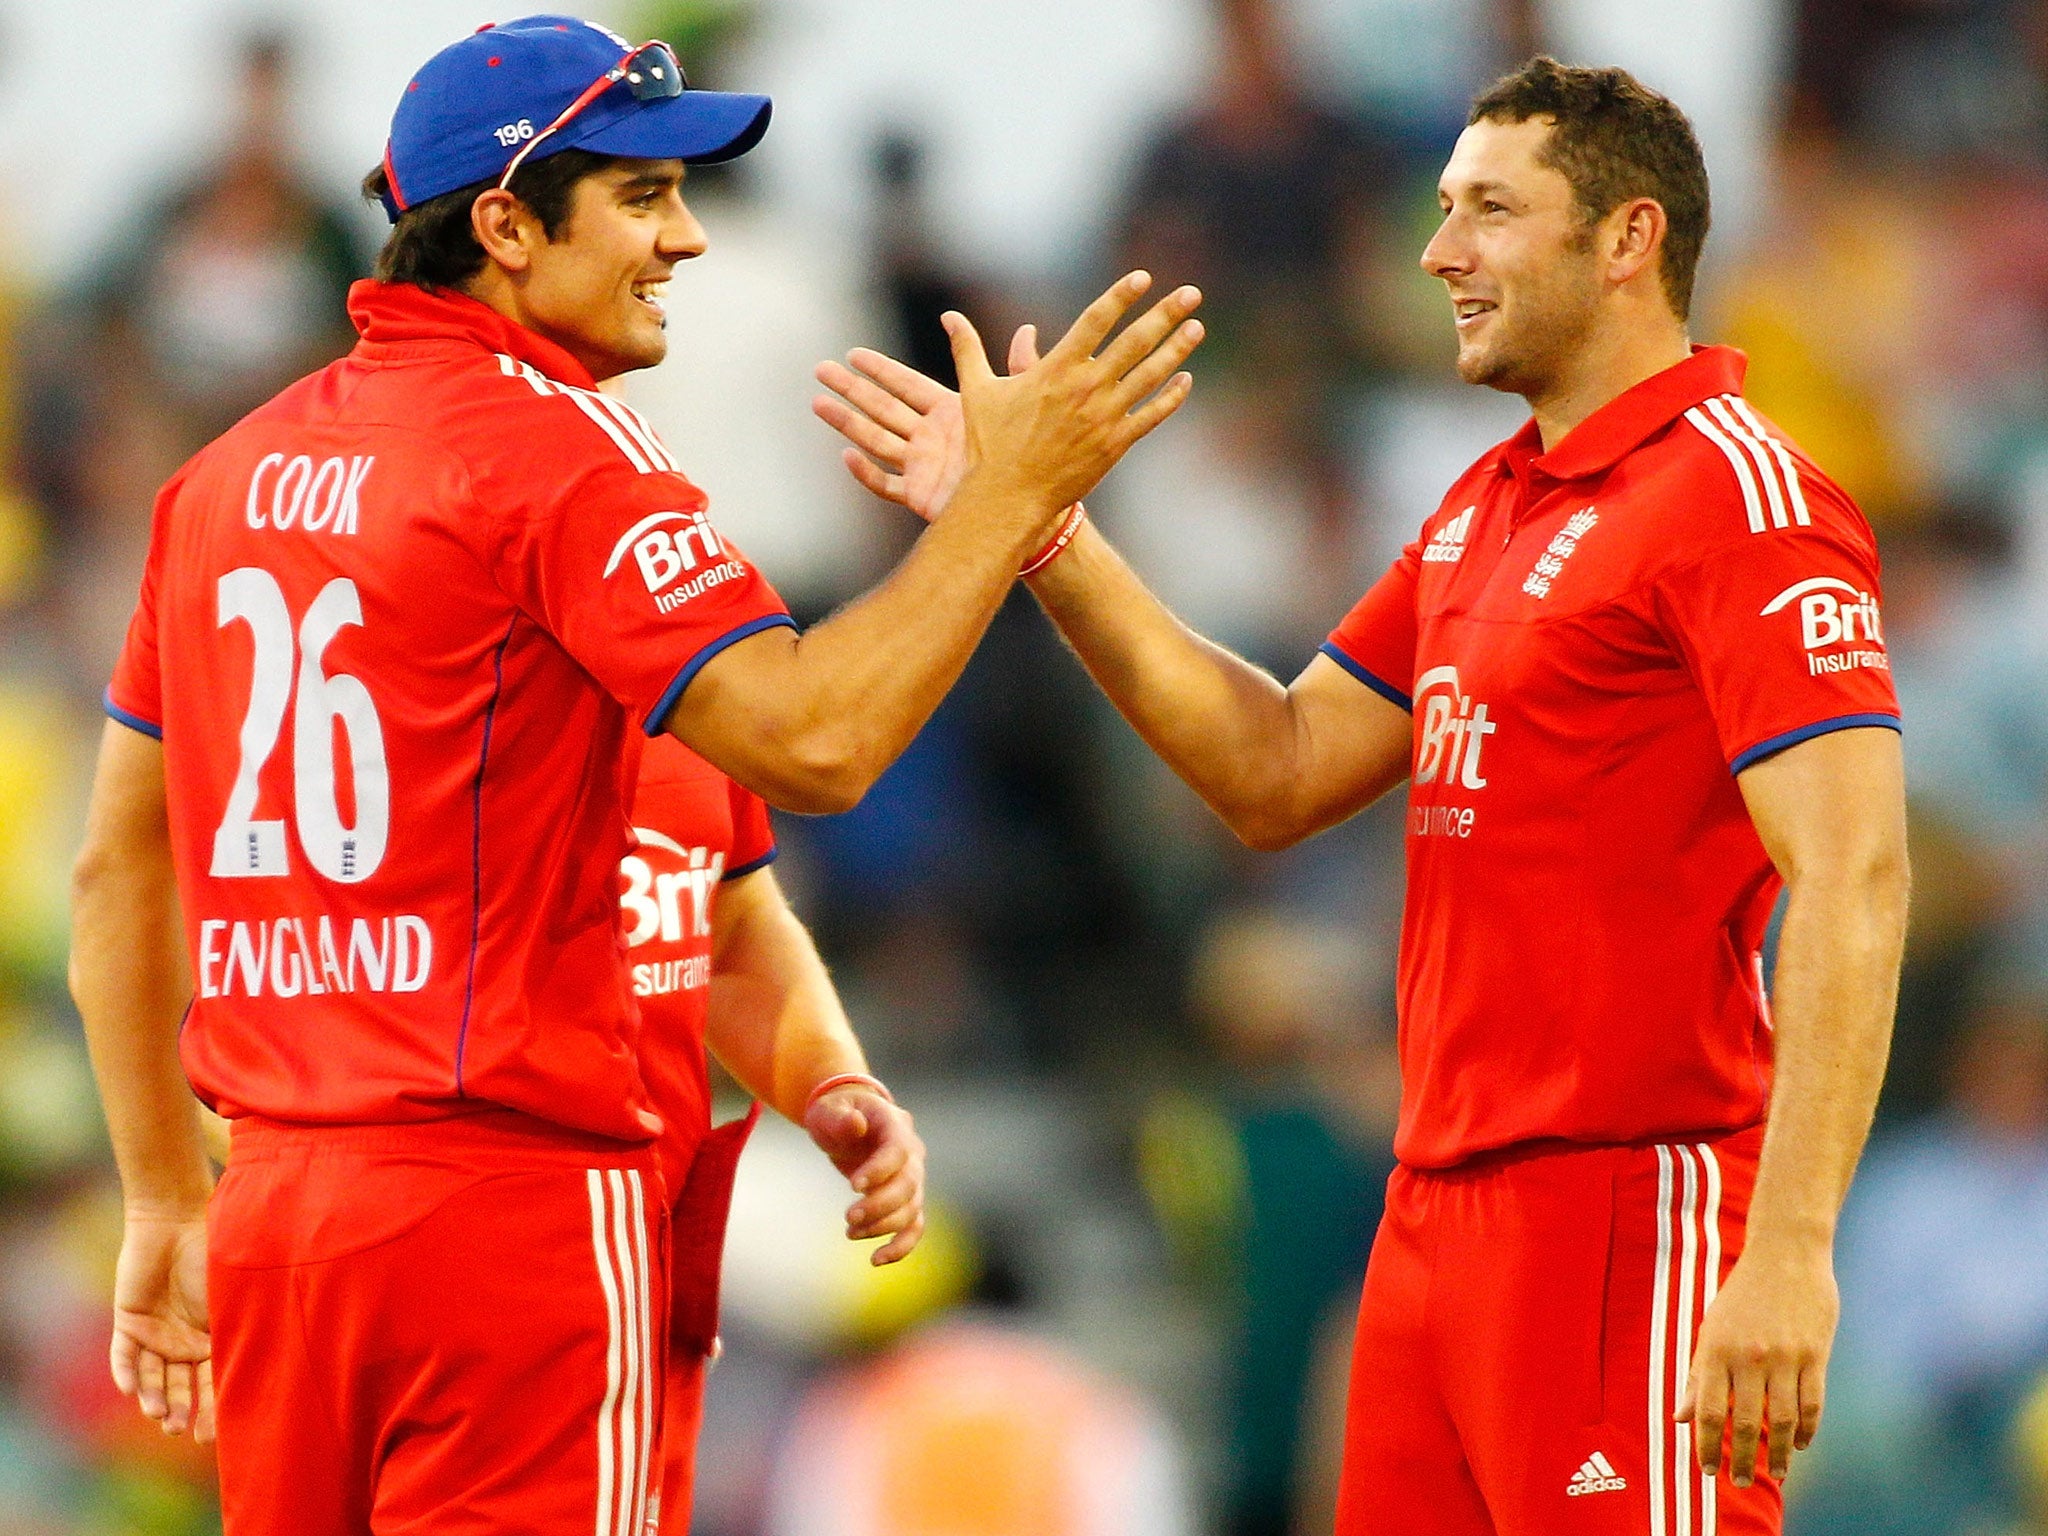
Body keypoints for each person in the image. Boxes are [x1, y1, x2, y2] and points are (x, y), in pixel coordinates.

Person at [67, 14, 1202, 1534]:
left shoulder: (219, 485)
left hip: (282, 1216)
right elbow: (816, 741)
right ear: (506, 226)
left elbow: (119, 869)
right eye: (645, 197)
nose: (683, 240)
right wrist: (1009, 503)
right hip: (509, 1214)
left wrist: (158, 1192)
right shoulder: (562, 459)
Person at [817, 56, 1909, 1535]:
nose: (1436, 251)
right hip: (1434, 1215)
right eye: (1444, 208)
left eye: (1489, 212)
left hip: (1624, 1218)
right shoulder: (1486, 507)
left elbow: (1856, 874)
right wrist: (1040, 530)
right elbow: (1275, 770)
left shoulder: (1741, 502)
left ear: (1628, 240)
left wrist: (1790, 1246)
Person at [622, 730, 916, 1532]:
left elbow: (734, 920)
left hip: (702, 1439)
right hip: (471, 1211)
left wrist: (837, 1078)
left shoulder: (689, 718)